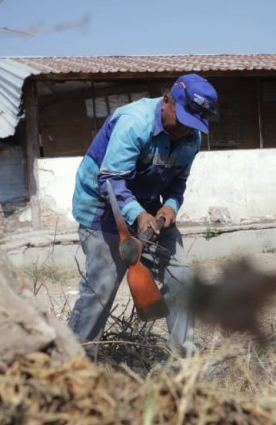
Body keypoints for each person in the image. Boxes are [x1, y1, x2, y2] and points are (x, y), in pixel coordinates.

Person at [67, 73, 218, 361]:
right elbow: (110, 180)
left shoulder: (191, 138)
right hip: (102, 208)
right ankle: (73, 366)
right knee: (102, 286)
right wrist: (138, 215)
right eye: (184, 121)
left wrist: (171, 205)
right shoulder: (134, 123)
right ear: (166, 101)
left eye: (194, 126)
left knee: (181, 278)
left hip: (148, 211)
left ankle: (182, 362)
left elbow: (177, 182)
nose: (186, 131)